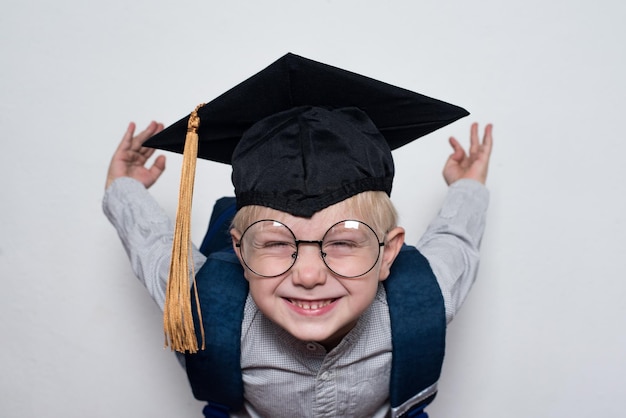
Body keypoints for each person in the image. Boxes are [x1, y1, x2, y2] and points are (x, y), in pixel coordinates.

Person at [103, 53, 493, 418]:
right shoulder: (200, 310)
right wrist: (125, 187)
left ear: (389, 253)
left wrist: (467, 186)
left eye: (342, 242)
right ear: (240, 252)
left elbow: (456, 237)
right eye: (275, 243)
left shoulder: (425, 298)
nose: (308, 276)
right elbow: (151, 244)